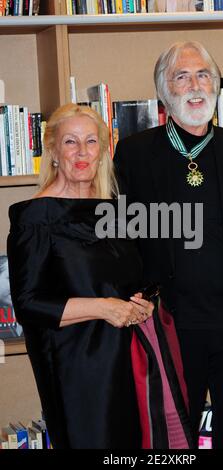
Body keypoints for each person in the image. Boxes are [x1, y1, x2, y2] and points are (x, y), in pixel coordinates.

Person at [114, 41, 223, 449]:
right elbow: (121, 243)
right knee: (174, 444)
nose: (195, 85)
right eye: (182, 76)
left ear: (215, 85)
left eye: (203, 75)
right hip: (171, 330)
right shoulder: (134, 154)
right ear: (164, 91)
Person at [7, 103, 193, 449]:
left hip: (127, 360)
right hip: (76, 368)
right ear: (54, 152)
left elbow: (126, 279)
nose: (82, 152)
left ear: (103, 151)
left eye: (91, 142)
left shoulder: (113, 208)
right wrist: (105, 307)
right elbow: (29, 305)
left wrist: (141, 303)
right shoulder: (35, 218)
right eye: (71, 142)